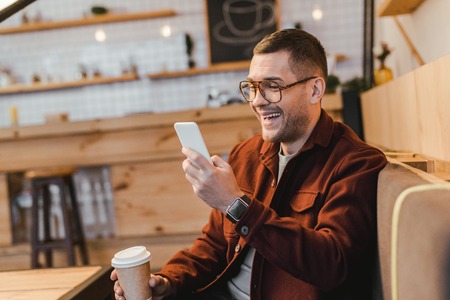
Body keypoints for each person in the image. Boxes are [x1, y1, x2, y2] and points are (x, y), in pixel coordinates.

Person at [111, 28, 387, 299]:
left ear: (315, 90)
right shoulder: (247, 154)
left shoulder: (356, 162)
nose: (257, 101)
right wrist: (168, 280)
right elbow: (215, 244)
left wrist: (235, 205)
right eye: (253, 87)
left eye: (273, 86)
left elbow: (331, 265)